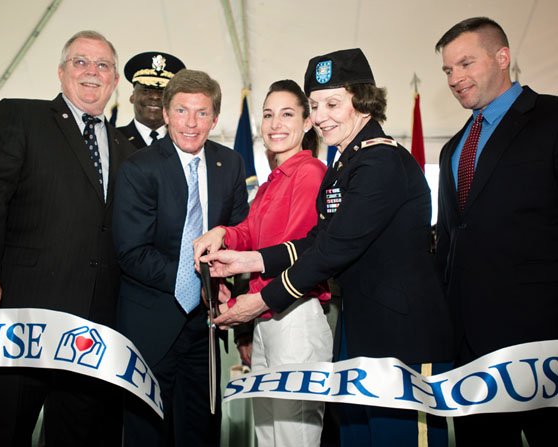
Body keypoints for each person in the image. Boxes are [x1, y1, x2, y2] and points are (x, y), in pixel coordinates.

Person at [200, 49, 454, 447]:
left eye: (333, 104)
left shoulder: (381, 161)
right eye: (315, 105)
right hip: (361, 324)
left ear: (364, 101)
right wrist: (251, 258)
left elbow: (334, 249)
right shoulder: (346, 164)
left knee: (400, 438)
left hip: (403, 334)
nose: (320, 117)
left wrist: (261, 300)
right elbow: (318, 240)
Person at [0, 30, 135, 446]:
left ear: (114, 83)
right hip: (23, 318)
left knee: (77, 435)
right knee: (4, 432)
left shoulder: (127, 149)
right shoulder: (22, 117)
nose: (92, 72)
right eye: (81, 62)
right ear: (60, 72)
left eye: (103, 66)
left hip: (93, 329)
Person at [435, 16, 558, 446]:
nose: (455, 78)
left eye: (465, 64)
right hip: (470, 352)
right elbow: (451, 240)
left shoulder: (551, 118)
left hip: (543, 344)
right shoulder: (452, 148)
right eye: (448, 70)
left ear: (502, 57)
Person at [112, 68, 249, 446]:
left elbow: (241, 236)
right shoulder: (139, 168)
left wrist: (225, 289)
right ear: (167, 113)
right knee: (147, 432)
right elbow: (131, 252)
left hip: (205, 329)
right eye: (182, 111)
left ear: (215, 118)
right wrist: (198, 282)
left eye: (202, 113)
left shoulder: (231, 163)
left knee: (201, 429)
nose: (191, 123)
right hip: (150, 324)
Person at [193, 79, 332, 446]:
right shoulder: (272, 182)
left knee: (294, 436)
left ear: (307, 122)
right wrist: (222, 233)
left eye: (287, 114)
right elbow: (250, 233)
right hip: (267, 320)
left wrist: (243, 302)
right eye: (268, 115)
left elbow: (296, 249)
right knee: (267, 435)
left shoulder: (310, 172)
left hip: (295, 316)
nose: (275, 124)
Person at [117, 51, 185, 148]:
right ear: (132, 97)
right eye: (146, 90)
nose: (155, 96)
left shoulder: (185, 140)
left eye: (162, 92)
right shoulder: (114, 139)